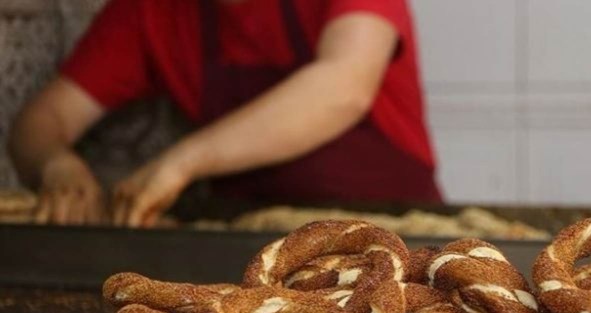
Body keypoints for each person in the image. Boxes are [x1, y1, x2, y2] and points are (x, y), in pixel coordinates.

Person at [9, 0, 442, 227]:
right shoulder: (149, 11)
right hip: (243, 258)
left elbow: (344, 86)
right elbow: (40, 121)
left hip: (396, 245)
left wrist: (184, 162)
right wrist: (56, 165)